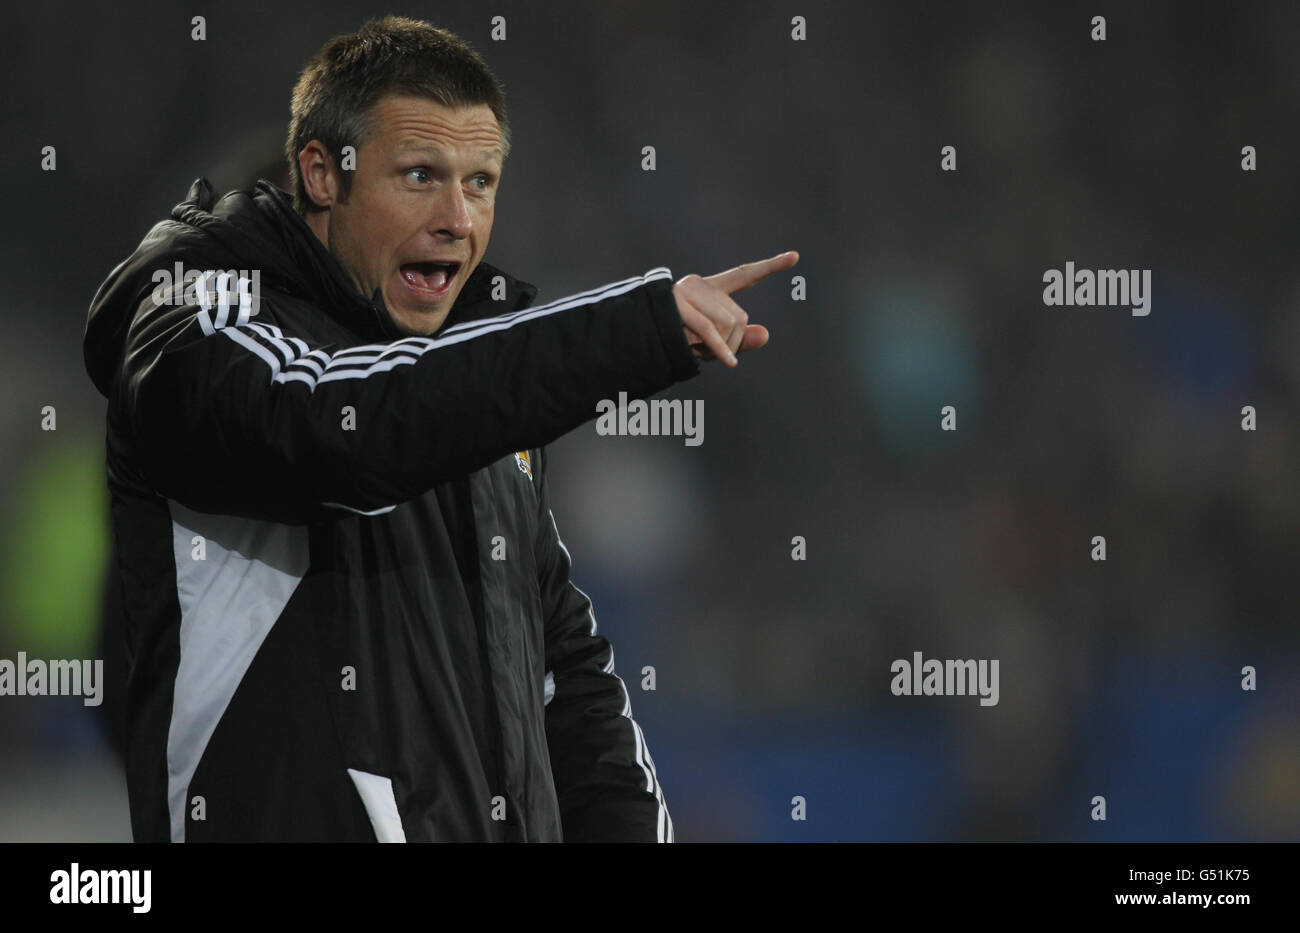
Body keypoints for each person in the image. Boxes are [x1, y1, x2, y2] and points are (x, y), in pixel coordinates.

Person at [83, 15, 796, 842]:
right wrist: (631, 332)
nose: (459, 217)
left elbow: (563, 677)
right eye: (420, 176)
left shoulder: (468, 387)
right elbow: (343, 428)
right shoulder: (191, 328)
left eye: (482, 182)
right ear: (320, 173)